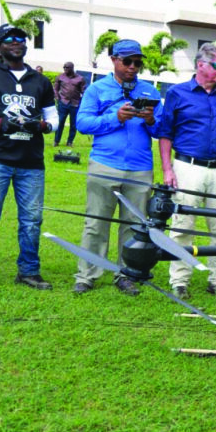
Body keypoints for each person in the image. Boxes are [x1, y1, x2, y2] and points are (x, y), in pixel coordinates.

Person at [0, 23, 58, 294]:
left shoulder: (40, 81)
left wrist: (41, 126)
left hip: (31, 162)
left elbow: (53, 117)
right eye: (9, 38)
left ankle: (28, 271)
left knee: (31, 220)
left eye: (21, 38)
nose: (17, 41)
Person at [158, 42, 216, 299]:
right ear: (201, 65)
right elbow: (165, 133)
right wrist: (167, 170)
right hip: (187, 167)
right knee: (182, 226)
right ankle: (179, 281)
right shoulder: (178, 93)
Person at [73, 39, 163, 296]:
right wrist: (116, 118)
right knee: (96, 224)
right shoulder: (97, 89)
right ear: (114, 60)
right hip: (105, 164)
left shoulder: (150, 91)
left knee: (133, 225)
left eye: (137, 62)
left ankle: (126, 275)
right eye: (127, 61)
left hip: (140, 168)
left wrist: (150, 120)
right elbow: (83, 123)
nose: (133, 67)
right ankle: (87, 275)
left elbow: (161, 129)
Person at [53, 61, 86, 147]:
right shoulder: (60, 77)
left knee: (73, 124)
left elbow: (84, 91)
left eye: (67, 67)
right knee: (60, 122)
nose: (65, 69)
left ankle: (70, 142)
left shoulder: (80, 78)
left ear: (72, 68)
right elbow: (55, 89)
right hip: (63, 103)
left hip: (75, 104)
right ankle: (56, 141)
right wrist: (57, 98)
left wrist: (81, 102)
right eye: (64, 67)